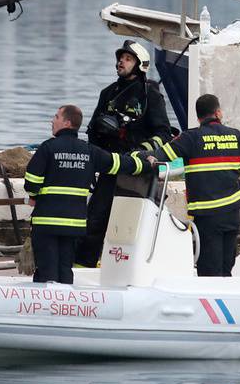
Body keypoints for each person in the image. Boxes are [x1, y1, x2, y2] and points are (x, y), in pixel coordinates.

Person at [24, 104, 153, 284]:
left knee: (46, 271)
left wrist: (34, 195)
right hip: (74, 224)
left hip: (47, 223)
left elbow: (31, 182)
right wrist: (146, 165)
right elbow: (118, 163)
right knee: (65, 269)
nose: (52, 121)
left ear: (67, 123)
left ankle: (46, 307)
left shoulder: (48, 148)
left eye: (56, 117)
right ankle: (66, 305)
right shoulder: (89, 151)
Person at [74, 39, 176, 267]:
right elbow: (91, 131)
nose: (121, 61)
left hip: (137, 172)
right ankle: (82, 269)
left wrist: (140, 152)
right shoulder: (108, 93)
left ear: (140, 64)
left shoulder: (150, 95)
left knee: (134, 223)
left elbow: (164, 133)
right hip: (110, 167)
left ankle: (132, 268)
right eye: (120, 58)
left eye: (128, 58)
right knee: (94, 221)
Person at [166, 93, 240, 277]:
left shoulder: (191, 138)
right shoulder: (235, 136)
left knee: (209, 272)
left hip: (207, 216)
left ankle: (211, 304)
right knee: (226, 267)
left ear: (198, 117)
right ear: (218, 112)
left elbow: (161, 156)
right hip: (231, 213)